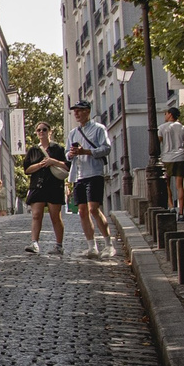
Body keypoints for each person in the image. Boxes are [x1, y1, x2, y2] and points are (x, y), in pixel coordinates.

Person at [66, 100, 114, 258]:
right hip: (78, 175)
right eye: (75, 111)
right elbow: (67, 154)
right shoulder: (73, 133)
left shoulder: (99, 129)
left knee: (94, 208)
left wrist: (86, 152)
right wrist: (72, 154)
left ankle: (108, 245)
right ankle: (91, 247)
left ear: (87, 111)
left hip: (94, 173)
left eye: (79, 111)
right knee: (82, 211)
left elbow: (106, 148)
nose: (76, 114)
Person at [23, 123, 67, 254]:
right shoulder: (33, 150)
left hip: (54, 185)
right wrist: (40, 165)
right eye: (38, 130)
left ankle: (59, 246)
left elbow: (67, 165)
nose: (41, 132)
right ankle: (34, 243)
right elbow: (27, 169)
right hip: (38, 185)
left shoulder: (58, 149)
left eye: (44, 129)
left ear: (50, 131)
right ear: (36, 133)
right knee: (36, 215)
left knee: (55, 216)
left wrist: (52, 161)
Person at [159, 104, 184, 210]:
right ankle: (181, 212)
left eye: (166, 113)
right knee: (180, 186)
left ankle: (171, 206)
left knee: (167, 184)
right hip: (181, 158)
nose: (165, 115)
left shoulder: (162, 128)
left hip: (166, 159)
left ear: (170, 114)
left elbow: (157, 143)